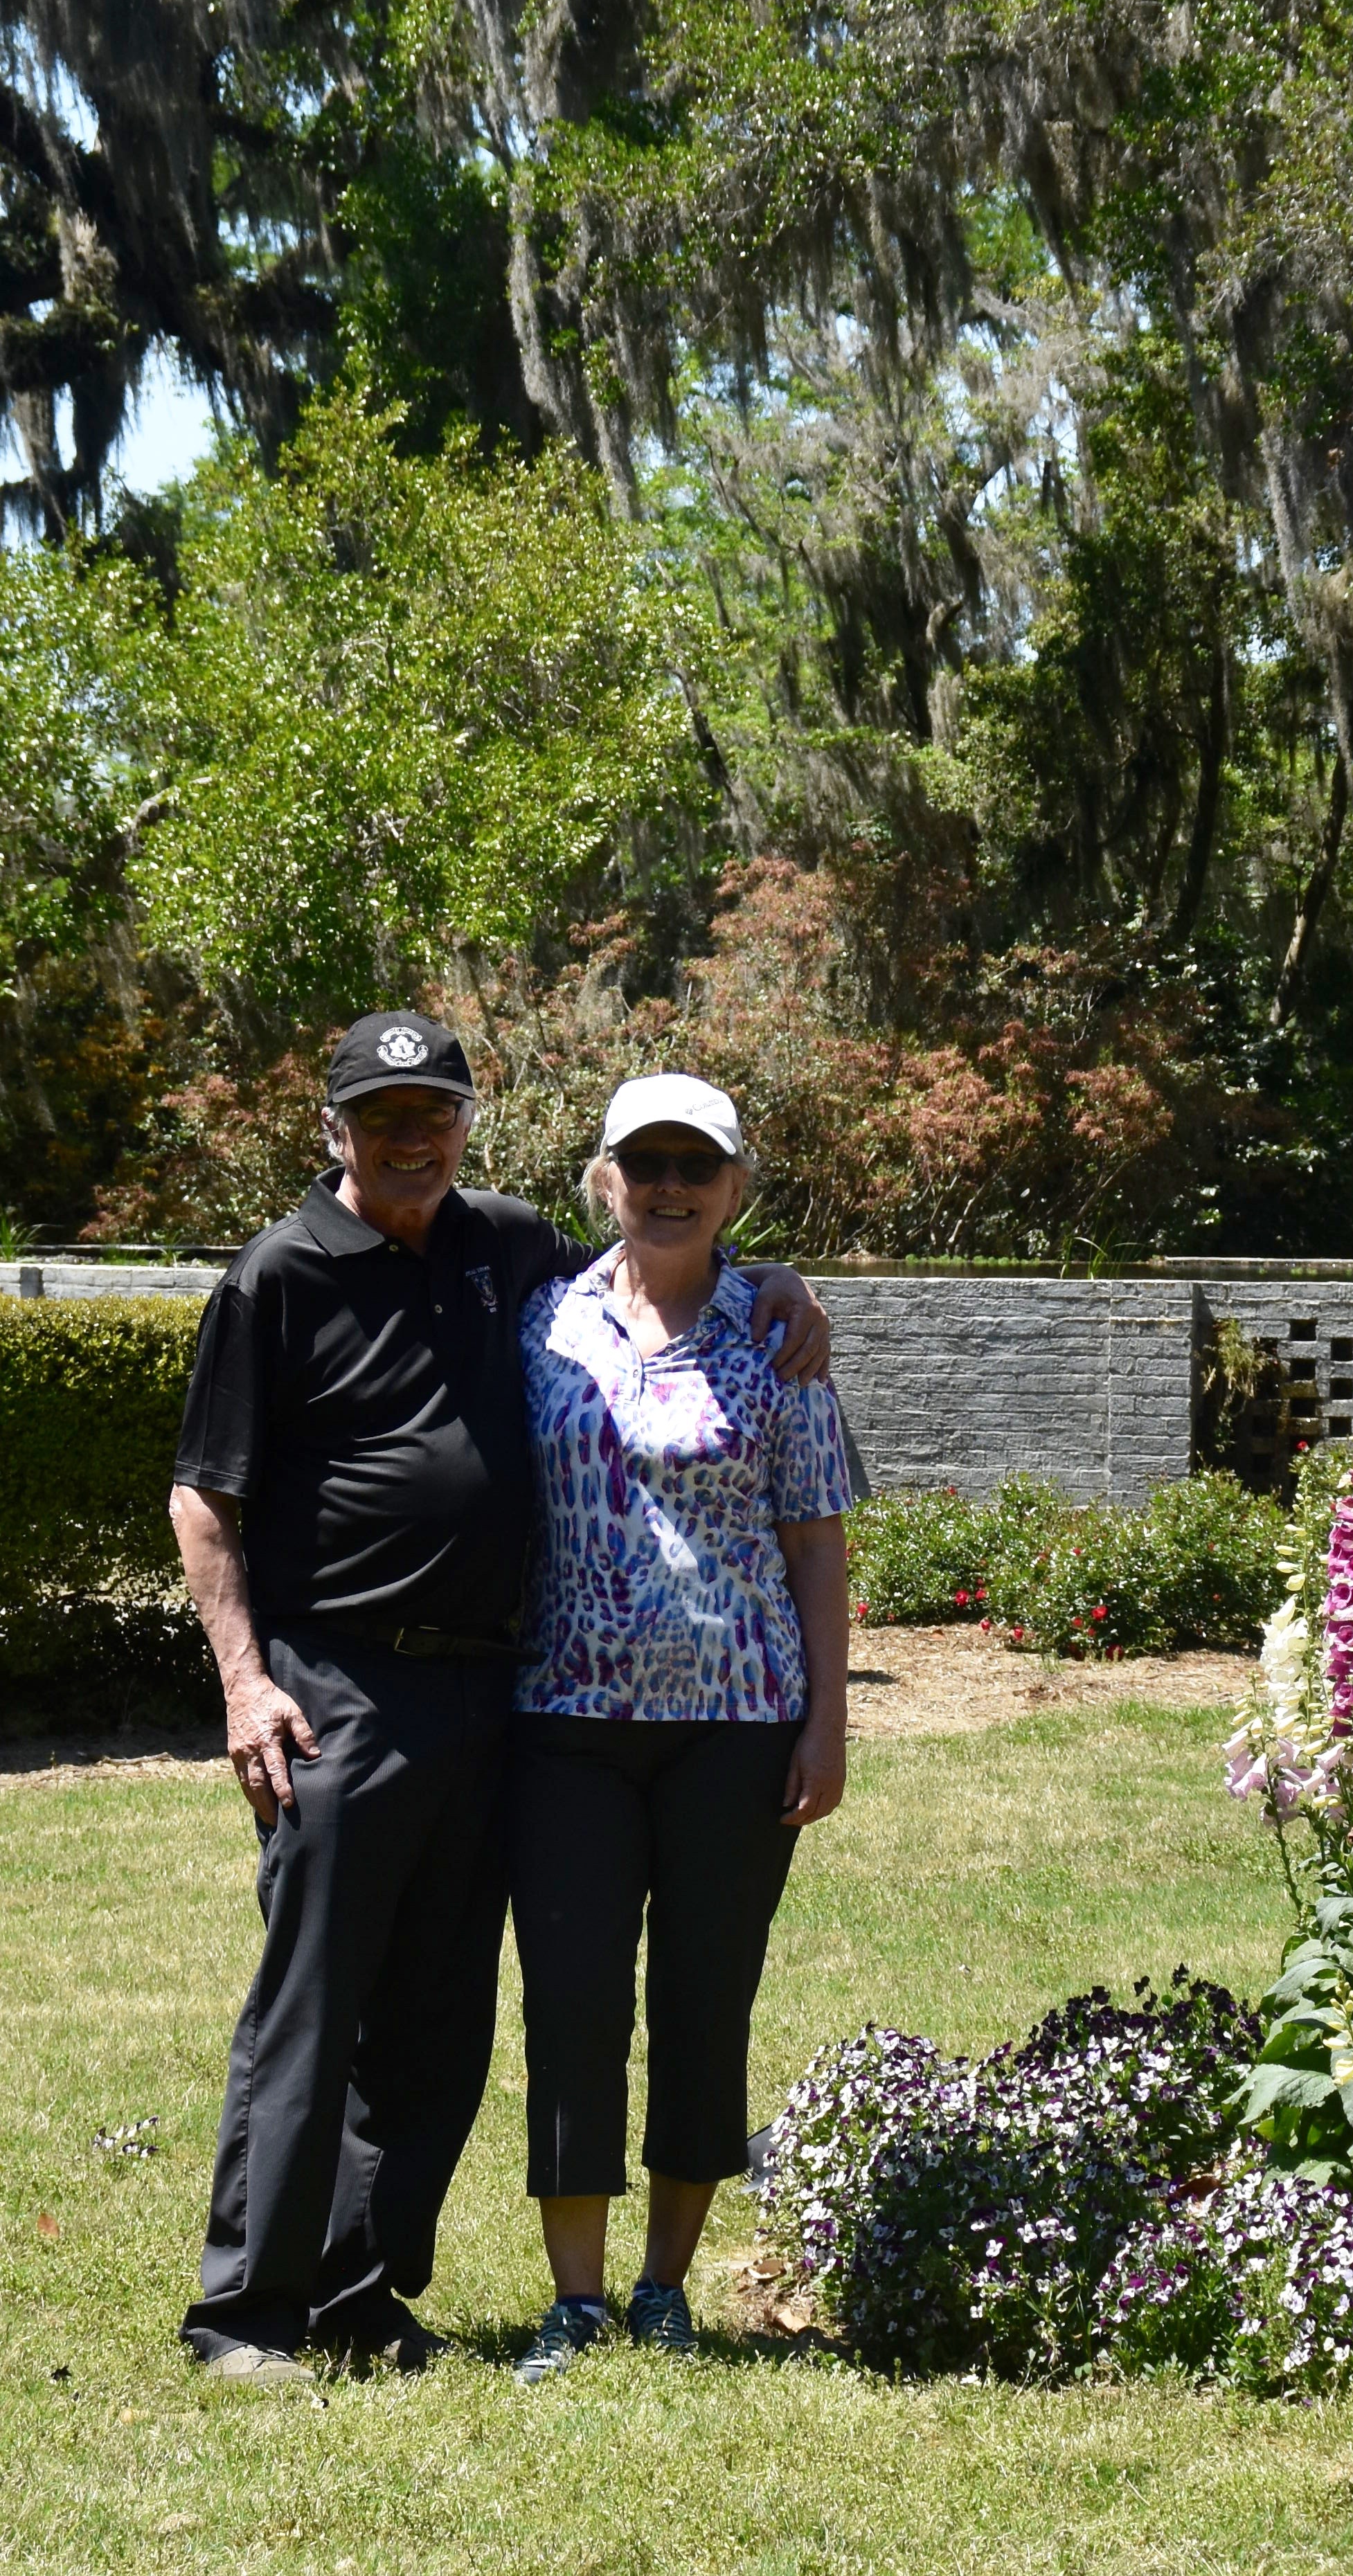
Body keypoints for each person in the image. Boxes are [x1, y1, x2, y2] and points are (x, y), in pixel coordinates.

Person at [170, 1012, 832, 2383]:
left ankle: (363, 2290)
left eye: (434, 1113)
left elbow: (676, 1258)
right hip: (339, 1686)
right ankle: (245, 2312)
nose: (410, 1138)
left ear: (468, 1123)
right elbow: (204, 1495)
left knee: (437, 2013)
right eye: (381, 1116)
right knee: (316, 1997)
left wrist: (783, 1285)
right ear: (332, 1130)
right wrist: (244, 1684)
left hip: (490, 1691)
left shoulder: (502, 1245)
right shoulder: (279, 1273)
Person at [505, 1073, 853, 2385]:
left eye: (693, 1164)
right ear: (603, 1177)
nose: (666, 1184)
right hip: (565, 1717)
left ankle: (665, 2284)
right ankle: (577, 2296)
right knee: (575, 2000)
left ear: (735, 1188)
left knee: (708, 1997)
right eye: (642, 1161)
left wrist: (828, 1717)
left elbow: (814, 1535)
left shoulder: (781, 1334)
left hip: (738, 1721)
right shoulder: (542, 1317)